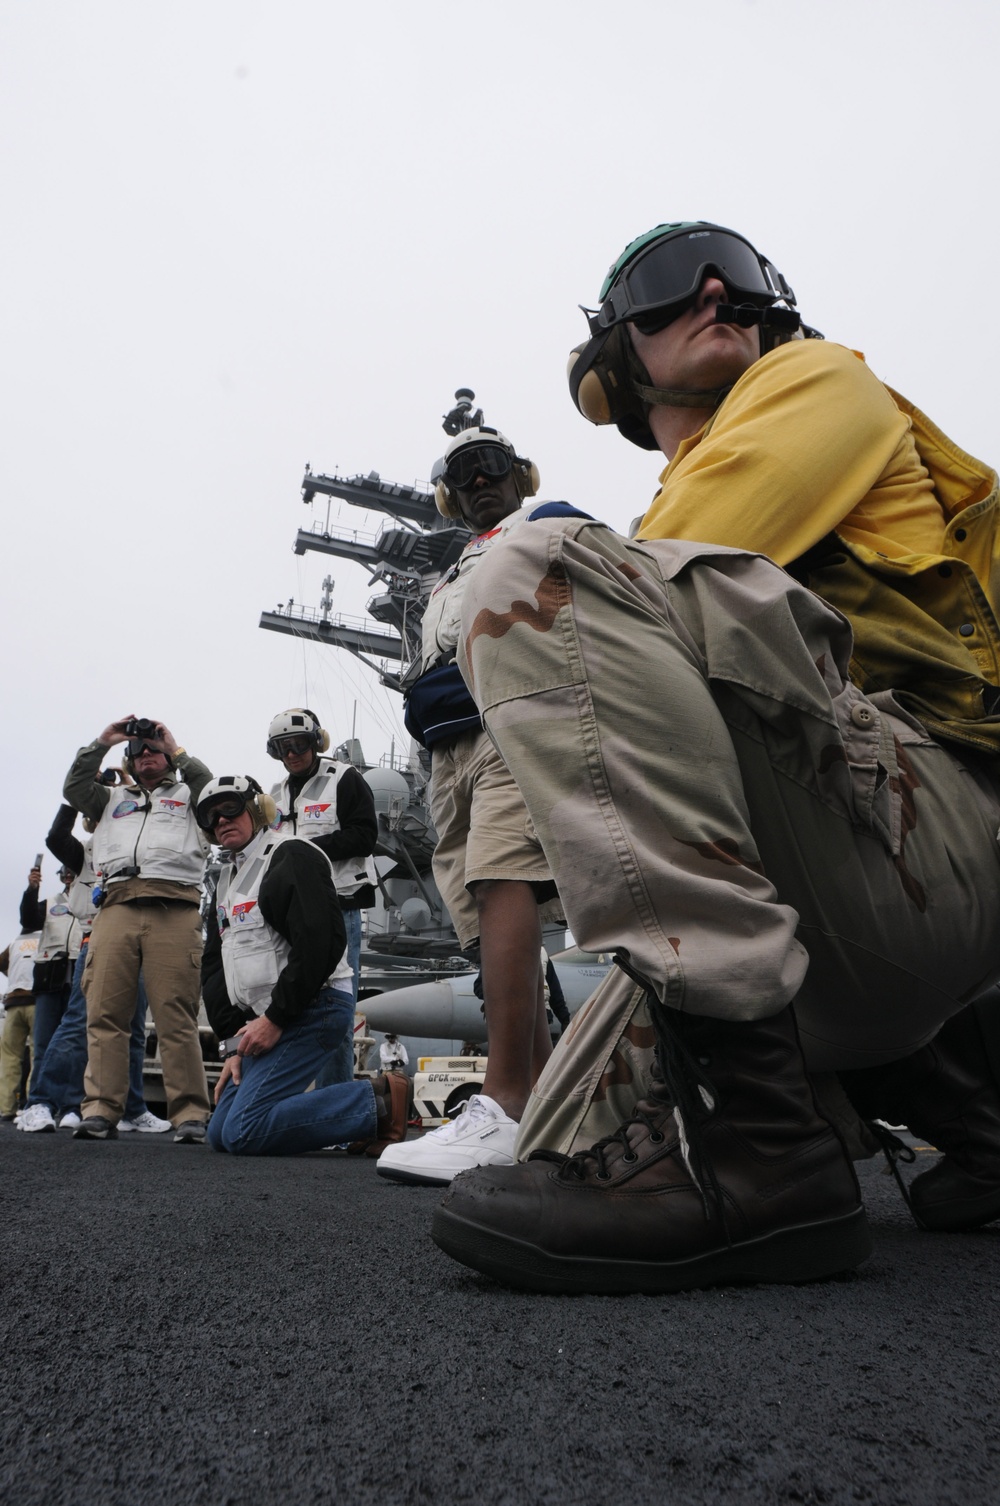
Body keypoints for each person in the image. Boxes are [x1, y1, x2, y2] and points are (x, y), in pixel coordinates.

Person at [431, 220, 1000, 1294]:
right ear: (617, 358)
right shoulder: (663, 519)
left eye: (736, 275)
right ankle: (962, 1095)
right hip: (863, 889)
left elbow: (597, 583)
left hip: (947, 825)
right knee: (554, 1156)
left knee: (532, 577)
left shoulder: (820, 380)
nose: (710, 291)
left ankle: (772, 1155)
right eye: (664, 285)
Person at [376, 427, 587, 1186]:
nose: (478, 483)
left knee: (506, 879)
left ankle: (500, 1100)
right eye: (461, 477)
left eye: (492, 467)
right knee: (474, 913)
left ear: (521, 476)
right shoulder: (449, 576)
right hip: (449, 753)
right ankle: (543, 1109)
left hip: (511, 726)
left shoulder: (547, 525)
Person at [197, 776, 408, 1156]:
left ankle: (378, 1103)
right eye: (211, 817)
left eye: (230, 808)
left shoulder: (292, 854)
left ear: (258, 809)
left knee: (244, 1131)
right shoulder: (226, 880)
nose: (221, 820)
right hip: (272, 1016)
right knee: (220, 1134)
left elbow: (321, 941)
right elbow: (214, 967)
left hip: (315, 1007)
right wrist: (233, 1047)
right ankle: (352, 1113)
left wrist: (276, 1017)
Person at [64, 716, 213, 1142]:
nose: (147, 755)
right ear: (130, 759)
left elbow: (220, 800)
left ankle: (189, 1116)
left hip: (176, 909)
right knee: (105, 1014)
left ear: (167, 757)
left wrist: (179, 749)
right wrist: (104, 741)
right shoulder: (110, 798)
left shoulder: (190, 795)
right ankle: (101, 1110)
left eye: (155, 750)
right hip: (115, 908)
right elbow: (73, 790)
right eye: (139, 750)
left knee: (176, 1017)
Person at [16, 805, 170, 1134]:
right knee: (78, 1023)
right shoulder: (85, 851)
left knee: (135, 1032)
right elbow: (56, 836)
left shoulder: (139, 842)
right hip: (97, 938)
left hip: (138, 940)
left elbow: (152, 816)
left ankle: (131, 1109)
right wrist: (78, 798)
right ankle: (40, 1102)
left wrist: (130, 785)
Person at [266, 708, 378, 1085]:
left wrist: (305, 850)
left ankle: (334, 1102)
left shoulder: (344, 779)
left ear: (317, 743)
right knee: (285, 1002)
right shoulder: (274, 795)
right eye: (284, 747)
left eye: (299, 744)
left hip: (338, 906)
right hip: (290, 915)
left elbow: (364, 835)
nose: (293, 753)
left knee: (337, 1009)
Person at [0, 929, 41, 1119]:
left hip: (13, 1002)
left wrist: (14, 976)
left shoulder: (16, 940)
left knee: (9, 1058)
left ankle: (6, 1108)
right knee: (37, 1055)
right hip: (37, 1002)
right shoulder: (47, 937)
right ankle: (31, 1105)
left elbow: (1, 962)